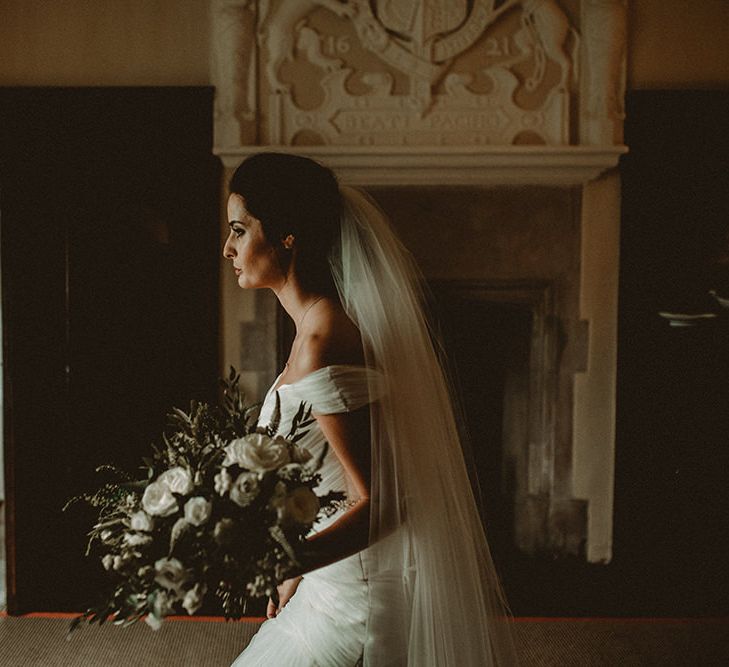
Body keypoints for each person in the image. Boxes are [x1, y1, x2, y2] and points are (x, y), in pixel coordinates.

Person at [224, 153, 519, 666]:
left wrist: (282, 561)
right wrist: (292, 575)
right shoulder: (312, 330)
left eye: (239, 230)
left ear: (287, 235)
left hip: (353, 599)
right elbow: (323, 484)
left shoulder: (324, 341)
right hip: (325, 582)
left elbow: (382, 501)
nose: (228, 248)